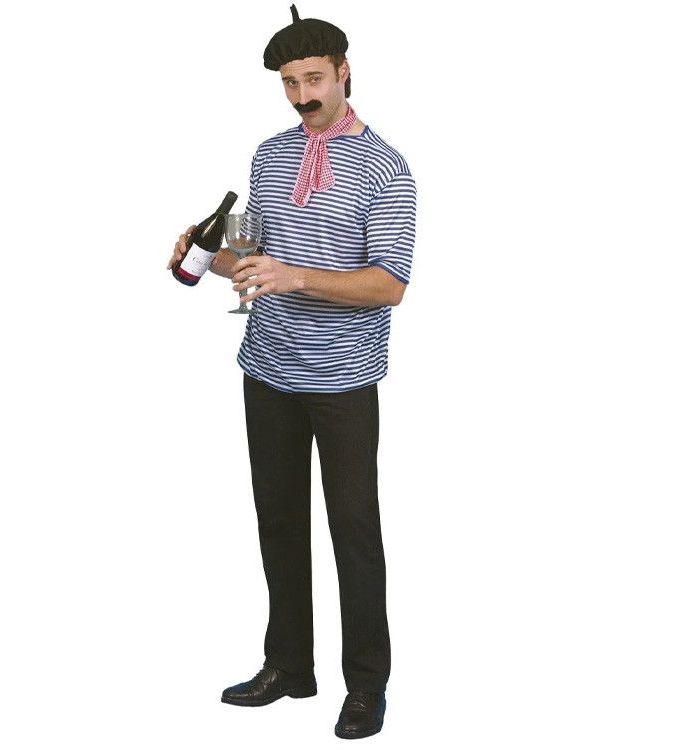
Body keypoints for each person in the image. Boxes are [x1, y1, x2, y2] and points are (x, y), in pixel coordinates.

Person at [167, 4, 416, 740]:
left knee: (354, 531)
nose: (302, 95)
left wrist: (297, 276)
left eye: (313, 79)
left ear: (344, 72)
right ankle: (288, 666)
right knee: (277, 521)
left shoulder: (387, 169)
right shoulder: (269, 156)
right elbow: (255, 263)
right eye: (288, 82)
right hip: (267, 368)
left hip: (342, 381)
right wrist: (208, 257)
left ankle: (365, 685)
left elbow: (389, 284)